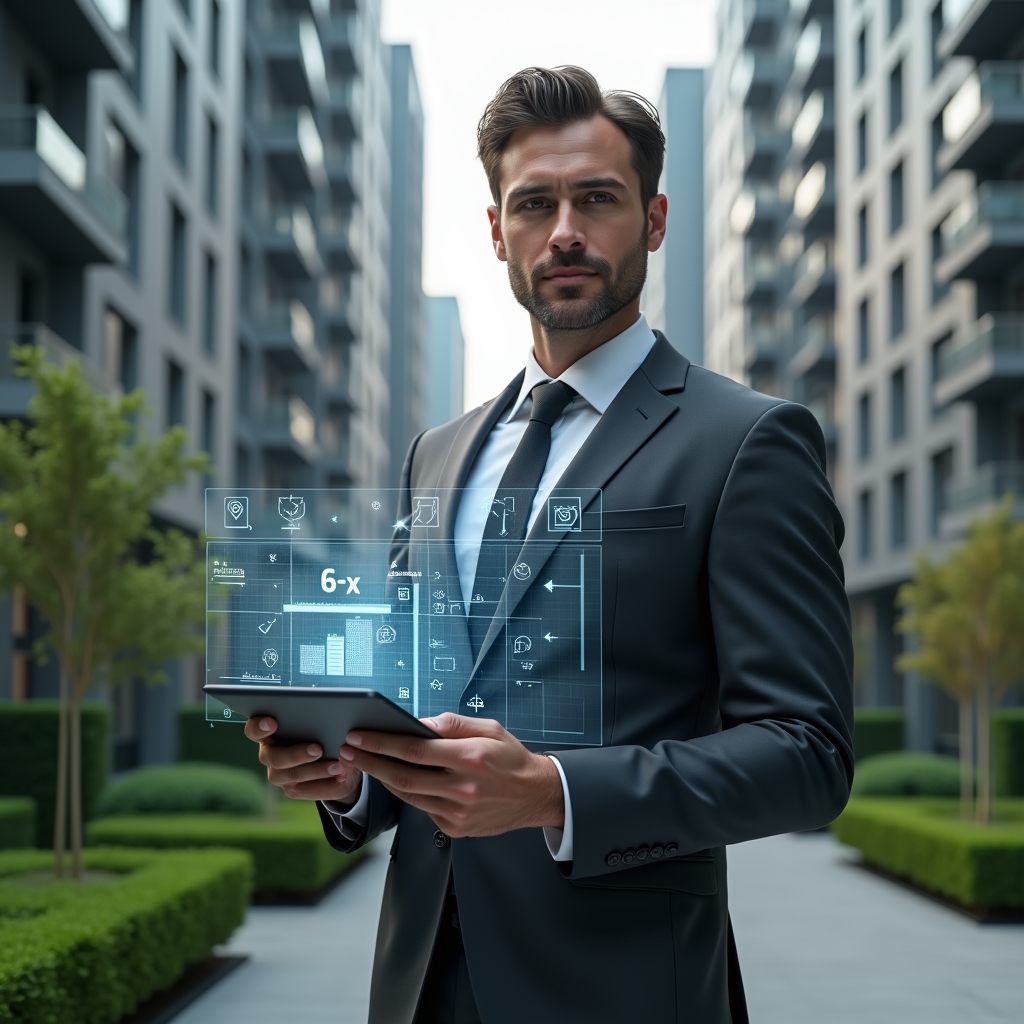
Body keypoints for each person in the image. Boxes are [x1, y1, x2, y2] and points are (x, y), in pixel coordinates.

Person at [245, 66, 854, 1024]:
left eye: (596, 198)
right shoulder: (435, 457)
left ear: (653, 221)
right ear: (498, 232)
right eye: (534, 202)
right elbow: (420, 703)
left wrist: (553, 794)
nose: (564, 228)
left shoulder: (748, 441)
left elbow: (808, 754)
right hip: (418, 981)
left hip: (625, 987)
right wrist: (352, 773)